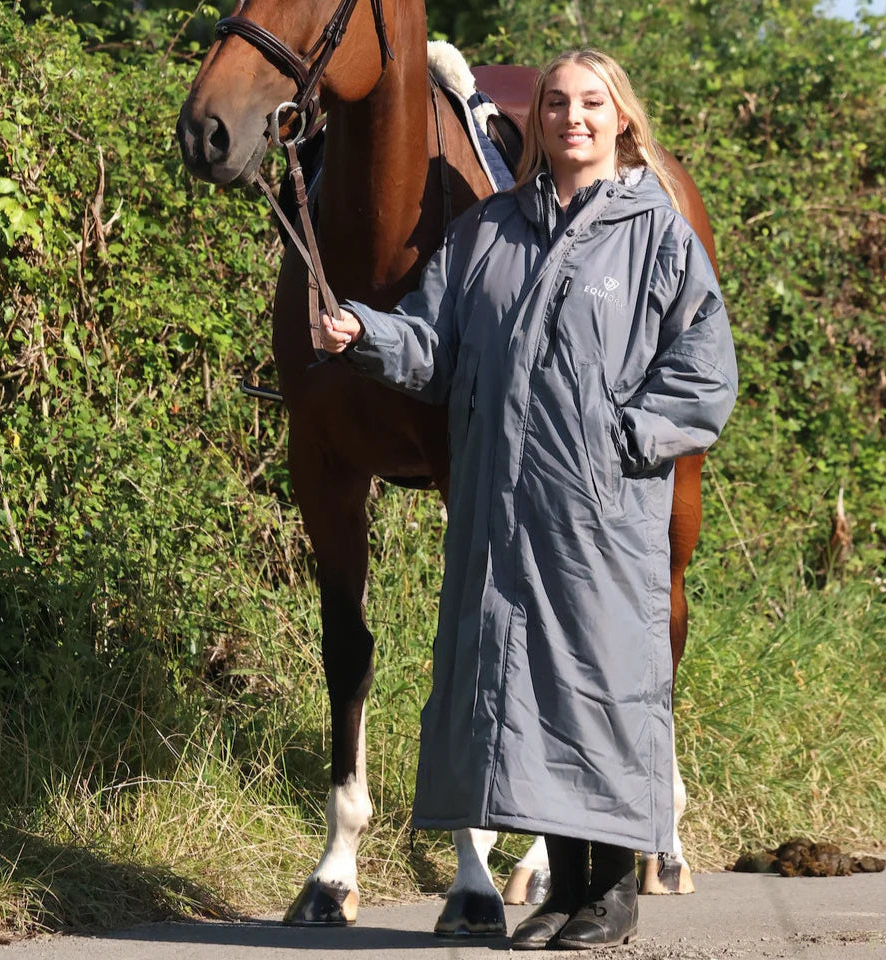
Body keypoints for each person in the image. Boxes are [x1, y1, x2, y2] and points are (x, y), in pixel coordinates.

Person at [314, 49, 737, 950]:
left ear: (622, 118)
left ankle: (612, 893)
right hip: (502, 512)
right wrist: (365, 334)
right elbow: (436, 350)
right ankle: (564, 891)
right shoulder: (489, 233)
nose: (571, 118)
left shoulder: (656, 234)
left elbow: (703, 374)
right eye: (555, 103)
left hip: (602, 512)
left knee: (601, 687)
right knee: (526, 691)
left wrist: (623, 446)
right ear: (536, 120)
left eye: (591, 103)